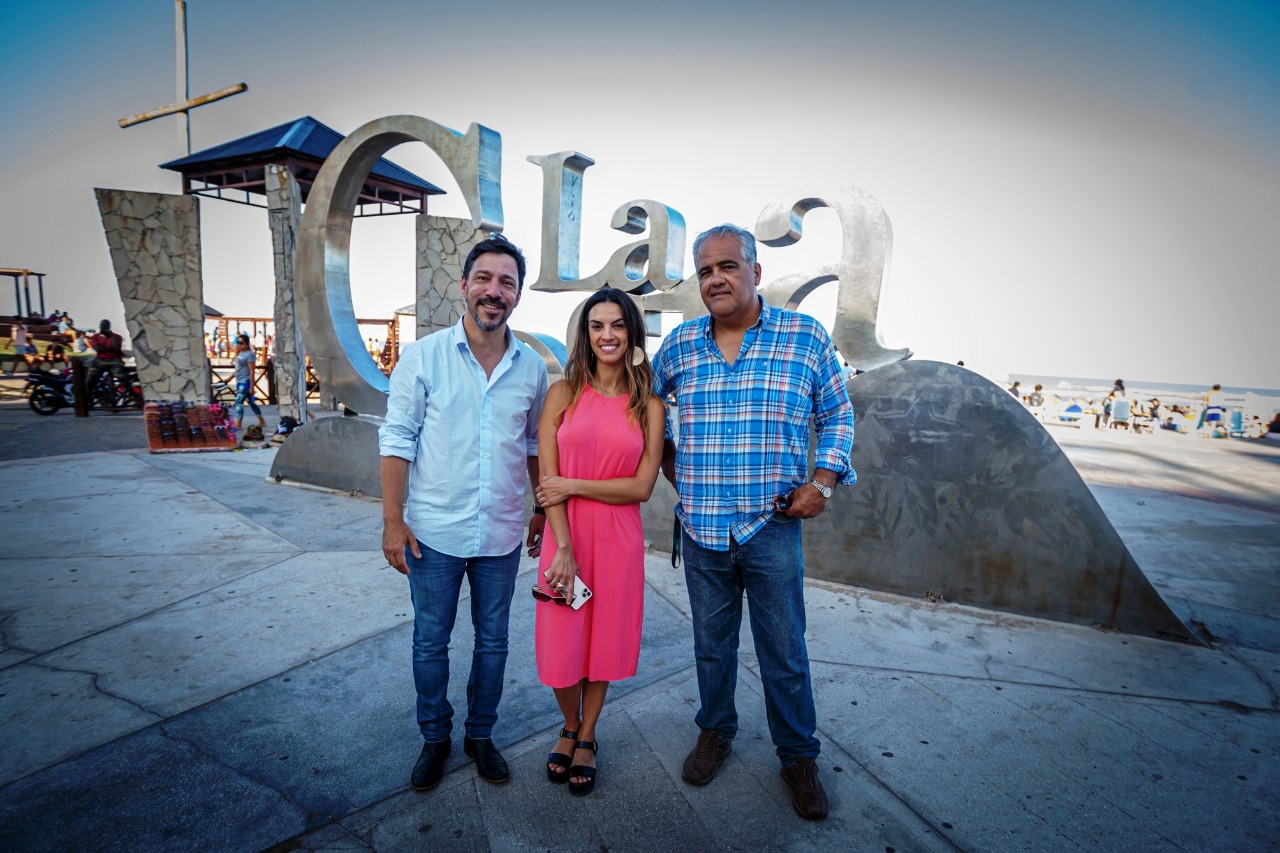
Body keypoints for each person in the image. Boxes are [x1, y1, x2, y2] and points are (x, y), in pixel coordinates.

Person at [652, 224, 855, 820]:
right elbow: (643, 407)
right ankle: (715, 732)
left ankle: (797, 756)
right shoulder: (683, 345)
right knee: (711, 649)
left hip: (772, 529)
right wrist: (671, 467)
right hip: (703, 530)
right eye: (705, 270)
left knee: (783, 650)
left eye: (728, 267)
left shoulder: (803, 336)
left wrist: (823, 481)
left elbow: (838, 411)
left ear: (755, 272)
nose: (715, 279)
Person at [379, 234, 548, 793]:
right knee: (431, 642)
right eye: (484, 279)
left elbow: (531, 446)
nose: (493, 291)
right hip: (433, 534)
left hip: (499, 533)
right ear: (464, 286)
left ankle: (481, 735)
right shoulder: (424, 356)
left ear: (518, 295)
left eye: (506, 282)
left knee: (493, 642)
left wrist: (541, 511)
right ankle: (435, 738)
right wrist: (391, 521)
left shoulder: (531, 368)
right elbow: (398, 439)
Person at [531, 289, 665, 797]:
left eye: (617, 325)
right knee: (562, 644)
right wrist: (561, 545)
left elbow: (641, 487)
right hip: (566, 536)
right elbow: (548, 476)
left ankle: (586, 736)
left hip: (618, 539)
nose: (606, 335)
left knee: (603, 641)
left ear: (632, 332)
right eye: (596, 326)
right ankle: (569, 723)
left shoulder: (648, 404)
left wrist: (575, 484)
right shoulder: (563, 393)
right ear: (585, 334)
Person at [232, 333, 266, 433]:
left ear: (247, 343)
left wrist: (251, 386)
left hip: (245, 381)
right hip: (239, 380)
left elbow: (252, 371)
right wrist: (229, 378)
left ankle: (238, 423)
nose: (239, 344)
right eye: (237, 342)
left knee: (239, 401)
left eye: (241, 343)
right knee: (251, 402)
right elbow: (238, 369)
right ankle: (261, 420)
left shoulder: (249, 354)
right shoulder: (239, 353)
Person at [86, 320, 128, 399]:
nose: (104, 327)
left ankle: (130, 392)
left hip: (114, 359)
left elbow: (117, 347)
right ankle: (89, 395)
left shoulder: (117, 337)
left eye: (105, 326)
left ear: (109, 327)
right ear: (100, 326)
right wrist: (113, 349)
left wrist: (112, 336)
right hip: (100, 359)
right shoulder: (95, 337)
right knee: (91, 377)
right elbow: (98, 349)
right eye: (102, 325)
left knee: (121, 376)